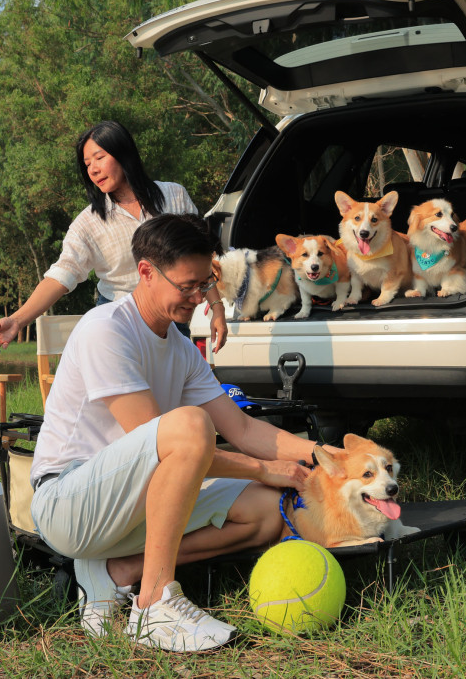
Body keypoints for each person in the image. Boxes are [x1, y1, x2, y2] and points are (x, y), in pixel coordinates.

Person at [28, 213, 320, 652]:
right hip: (69, 506)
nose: (199, 299)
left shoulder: (181, 348)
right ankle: (155, 604)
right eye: (187, 286)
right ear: (146, 272)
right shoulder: (106, 329)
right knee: (188, 424)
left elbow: (242, 428)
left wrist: (327, 456)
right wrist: (264, 469)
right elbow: (162, 441)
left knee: (267, 511)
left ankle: (116, 572)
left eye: (205, 284)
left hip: (134, 505)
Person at [0, 120, 228, 350]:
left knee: (177, 381)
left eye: (99, 158)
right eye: (87, 164)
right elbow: (60, 276)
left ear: (124, 154)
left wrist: (217, 308)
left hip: (173, 321)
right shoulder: (88, 223)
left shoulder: (174, 196)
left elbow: (201, 259)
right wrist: (17, 320)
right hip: (118, 324)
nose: (93, 169)